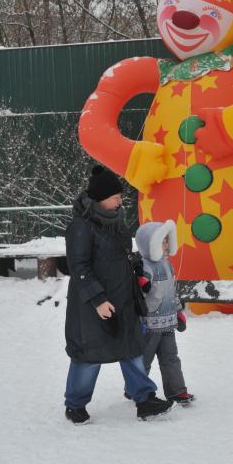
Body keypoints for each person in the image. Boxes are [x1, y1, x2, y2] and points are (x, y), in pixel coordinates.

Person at [64, 165, 173, 424]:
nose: (119, 200)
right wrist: (98, 299)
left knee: (131, 349)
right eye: (115, 196)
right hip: (94, 305)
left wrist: (138, 273)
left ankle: (145, 399)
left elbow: (122, 257)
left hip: (123, 299)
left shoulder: (116, 223)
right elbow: (79, 267)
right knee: (90, 355)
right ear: (100, 198)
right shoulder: (81, 227)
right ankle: (75, 404)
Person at [125, 219, 194, 405]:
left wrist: (178, 311)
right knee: (144, 360)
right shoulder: (143, 267)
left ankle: (176, 391)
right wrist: (142, 283)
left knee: (171, 358)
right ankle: (135, 388)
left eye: (167, 240)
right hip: (149, 325)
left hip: (168, 323)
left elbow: (171, 292)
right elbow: (139, 295)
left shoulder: (168, 264)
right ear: (150, 244)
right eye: (162, 241)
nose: (166, 244)